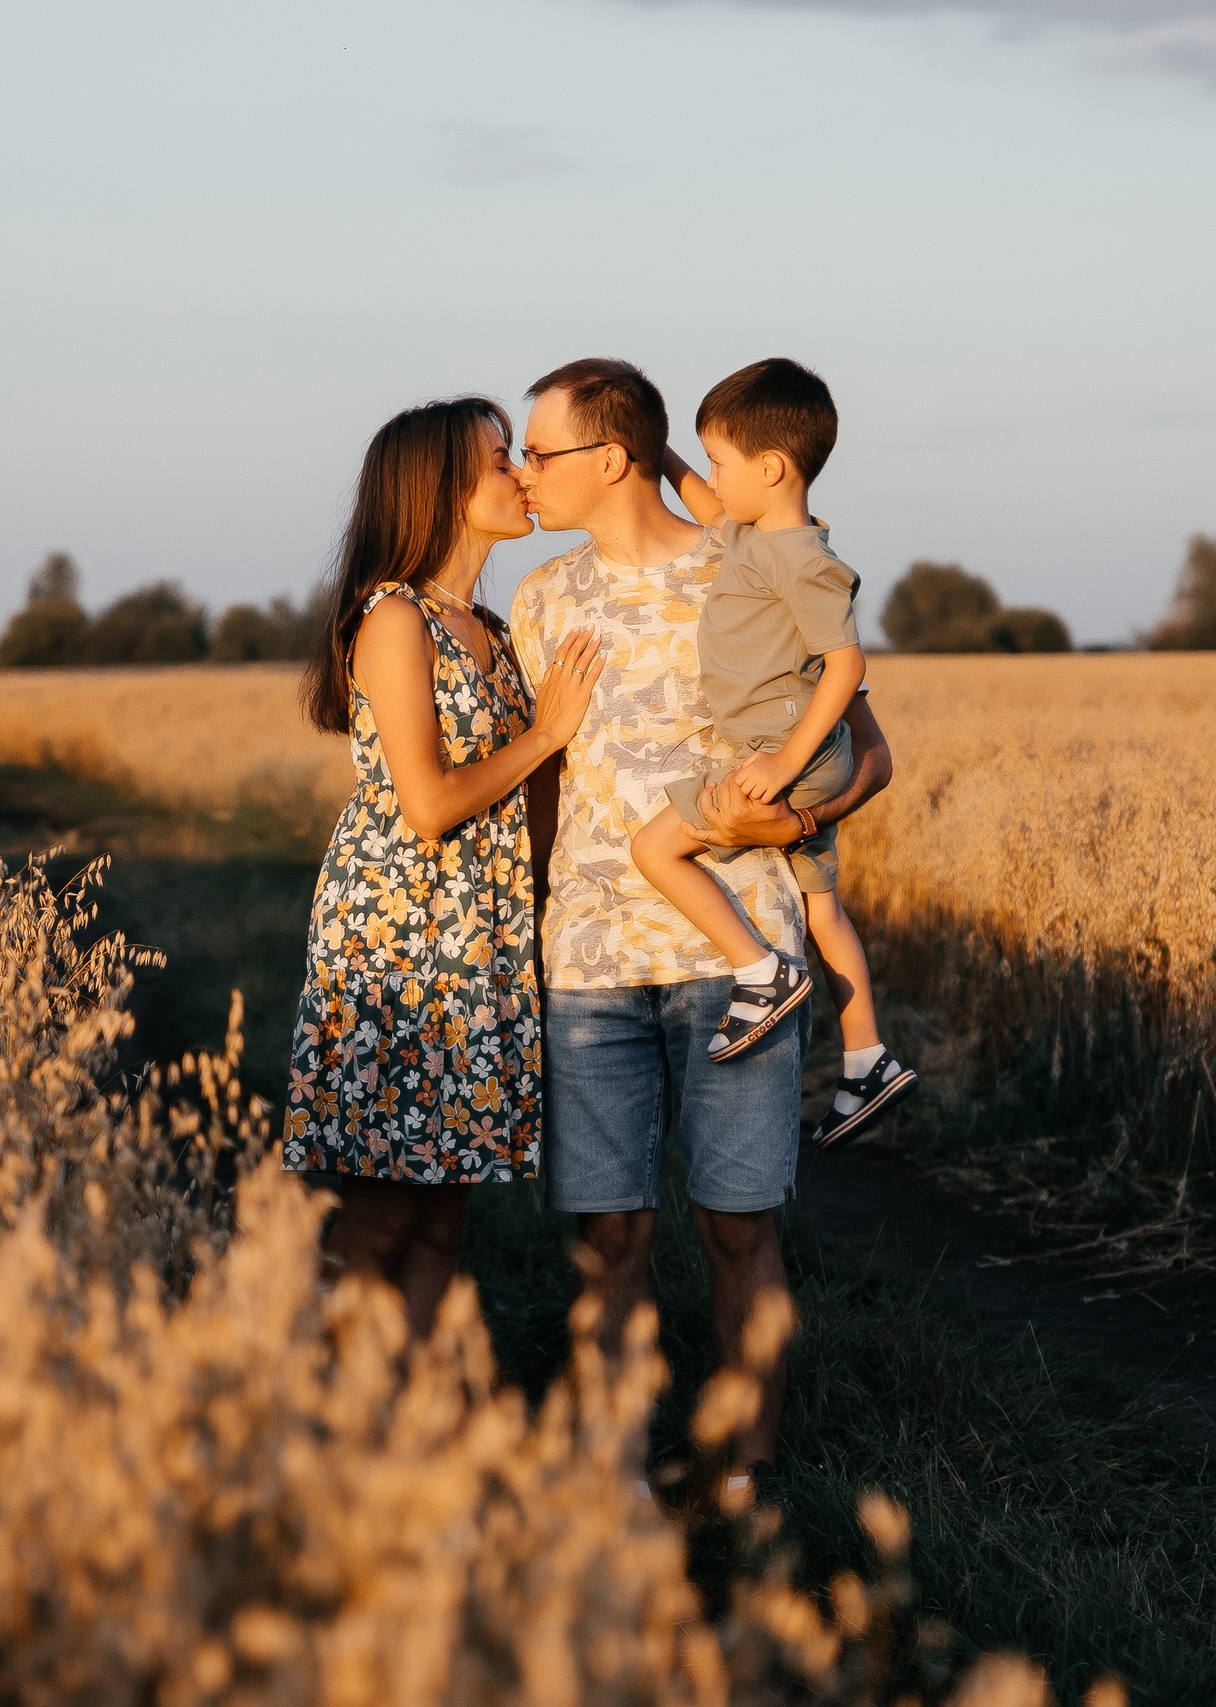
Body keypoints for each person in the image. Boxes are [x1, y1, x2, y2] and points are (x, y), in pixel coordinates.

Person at [509, 357, 894, 1499]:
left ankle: (751, 1470)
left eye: (542, 450)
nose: (525, 471)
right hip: (586, 963)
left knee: (737, 1228)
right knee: (608, 1236)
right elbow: (541, 790)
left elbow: (869, 754)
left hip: (743, 963)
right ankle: (616, 1467)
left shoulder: (749, 566)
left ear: (611, 458)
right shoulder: (541, 602)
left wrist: (792, 806)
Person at [284, 395, 602, 1340]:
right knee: (380, 1212)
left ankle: (409, 1438)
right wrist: (547, 733)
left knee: (445, 1214)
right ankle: (331, 1422)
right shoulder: (396, 620)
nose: (522, 472)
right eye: (501, 459)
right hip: (399, 942)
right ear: (440, 490)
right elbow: (425, 804)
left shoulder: (495, 633)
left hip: (478, 942)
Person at [634, 357, 917, 1145]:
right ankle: (867, 1059)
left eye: (721, 462)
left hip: (779, 750)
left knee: (654, 847)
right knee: (824, 908)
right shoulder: (760, 534)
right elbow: (699, 499)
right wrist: (658, 451)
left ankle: (760, 971)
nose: (713, 480)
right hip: (792, 750)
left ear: (771, 467)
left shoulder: (802, 559)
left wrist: (781, 767)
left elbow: (847, 665)